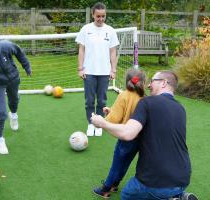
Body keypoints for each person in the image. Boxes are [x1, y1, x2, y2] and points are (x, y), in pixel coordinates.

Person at [91, 71, 198, 200]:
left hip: (152, 178)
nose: (149, 85)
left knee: (126, 189)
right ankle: (177, 195)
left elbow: (127, 132)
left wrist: (102, 122)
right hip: (183, 179)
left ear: (163, 83)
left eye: (152, 81)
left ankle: (107, 187)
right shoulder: (180, 109)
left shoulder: (145, 101)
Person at [93, 69, 146, 198]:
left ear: (127, 81)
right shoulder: (144, 98)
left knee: (117, 162)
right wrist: (111, 110)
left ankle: (105, 188)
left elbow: (114, 119)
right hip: (138, 138)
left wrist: (103, 118)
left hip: (125, 138)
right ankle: (115, 184)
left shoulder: (124, 95)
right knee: (126, 162)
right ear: (143, 83)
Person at [75, 2, 119, 137]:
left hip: (105, 72)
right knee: (89, 100)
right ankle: (90, 123)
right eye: (98, 16)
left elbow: (113, 52)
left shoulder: (110, 31)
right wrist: (80, 69)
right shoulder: (86, 29)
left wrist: (113, 70)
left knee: (102, 101)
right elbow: (81, 50)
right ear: (93, 15)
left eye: (103, 16)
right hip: (89, 72)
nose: (100, 19)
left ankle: (98, 124)